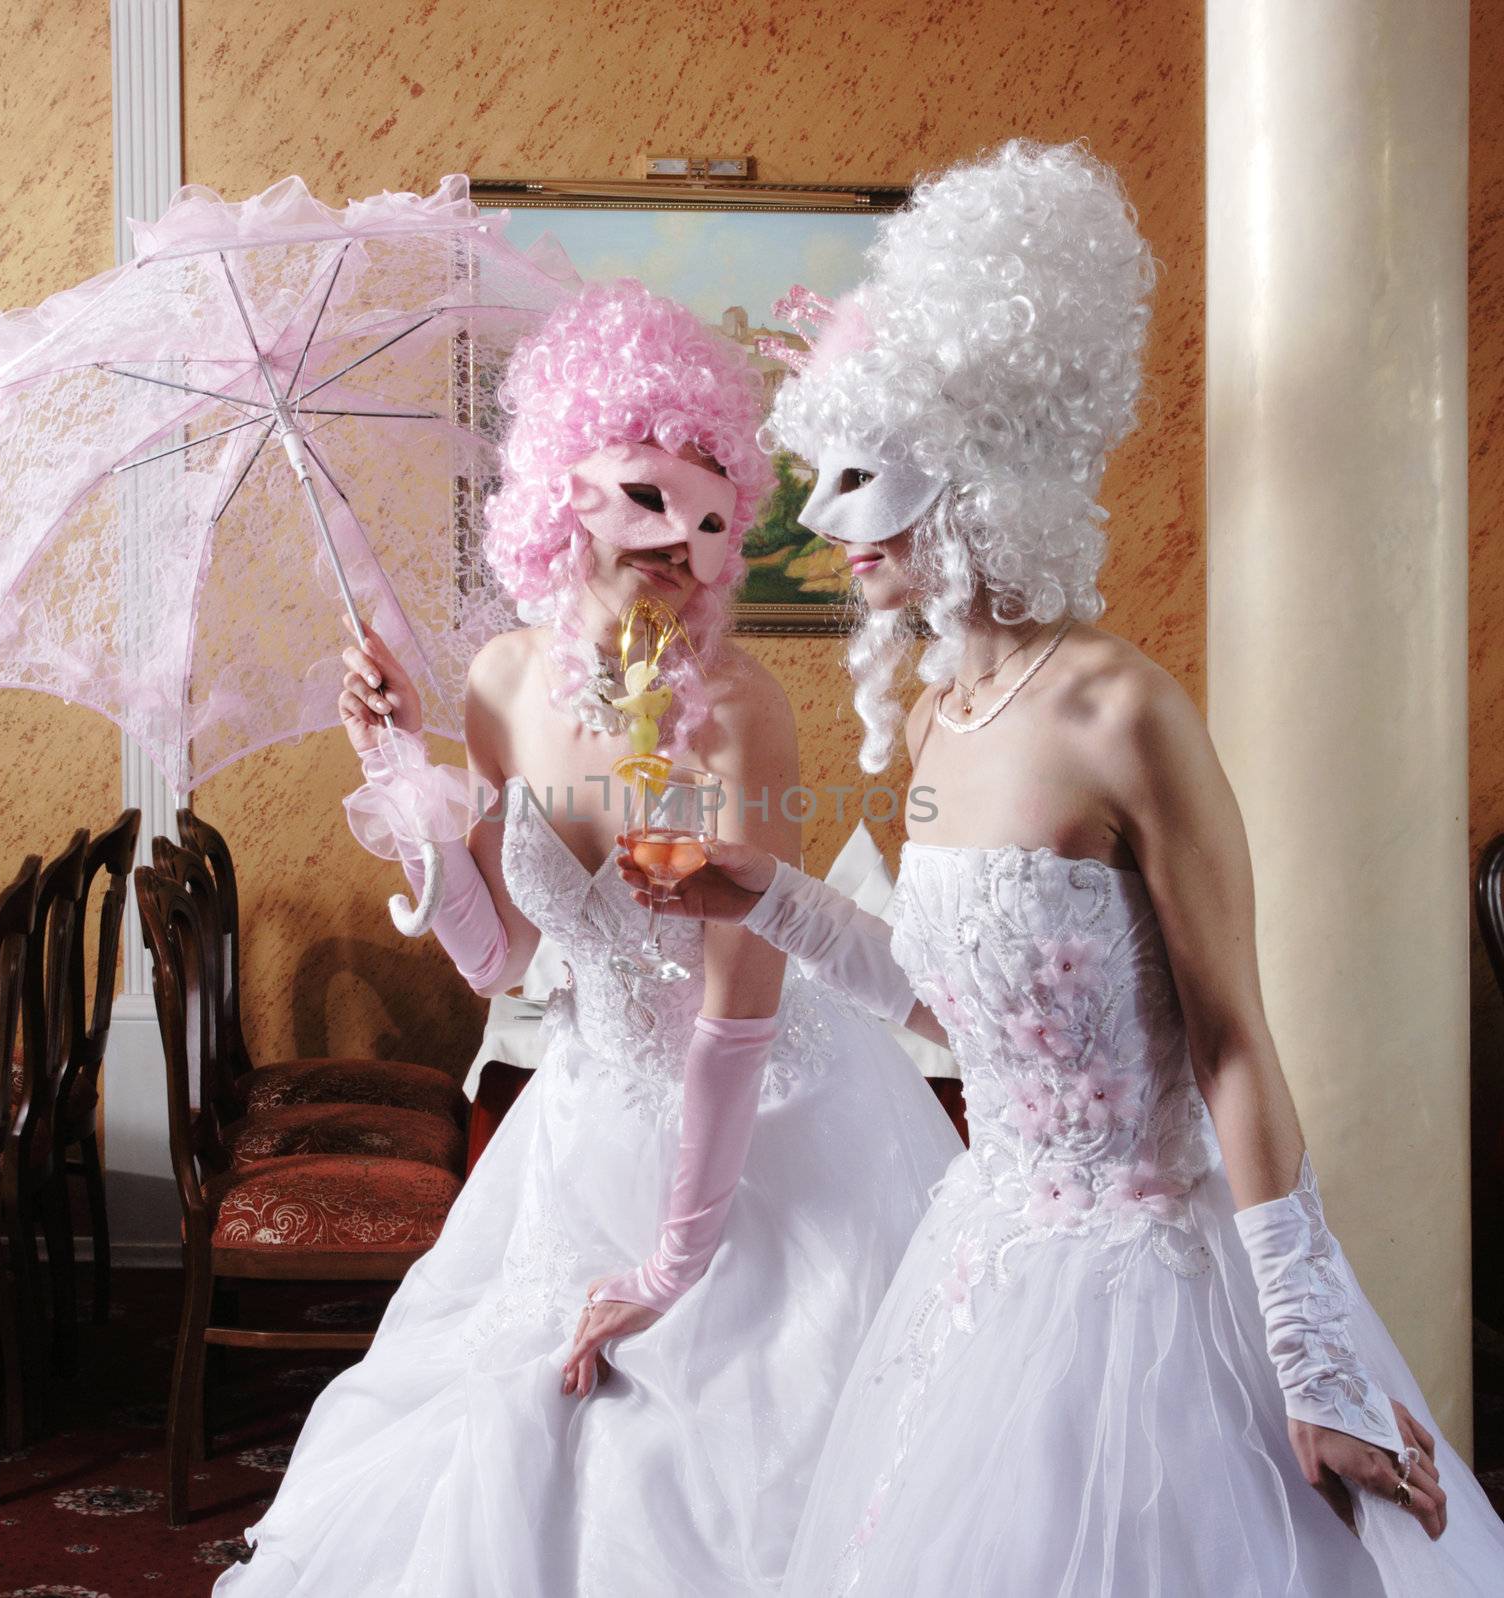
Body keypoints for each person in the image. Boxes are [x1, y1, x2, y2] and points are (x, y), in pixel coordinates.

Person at [619, 143, 1504, 1595]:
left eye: (866, 482)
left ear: (976, 473)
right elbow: (946, 1004)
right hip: (987, 1255)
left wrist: (1309, 1348)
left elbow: (1232, 1043)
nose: (827, 530)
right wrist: (752, 890)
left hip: (1158, 1278)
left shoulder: (1119, 707)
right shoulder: (944, 714)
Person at [215, 278, 961, 1597]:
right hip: (578, 1128)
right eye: (647, 507)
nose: (684, 547)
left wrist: (669, 1265)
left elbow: (737, 1017)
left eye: (712, 518)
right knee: (503, 1447)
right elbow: (499, 959)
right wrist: (405, 785)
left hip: (768, 1148)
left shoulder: (742, 712)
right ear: (566, 489)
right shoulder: (502, 680)